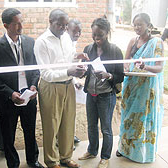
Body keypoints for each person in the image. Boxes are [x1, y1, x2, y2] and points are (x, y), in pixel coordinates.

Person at [0, 8, 43, 168]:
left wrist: (33, 86)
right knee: (8, 135)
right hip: (7, 100)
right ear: (6, 25)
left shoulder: (29, 42)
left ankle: (33, 161)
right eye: (16, 24)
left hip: (29, 95)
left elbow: (35, 68)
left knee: (30, 131)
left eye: (22, 22)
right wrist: (10, 94)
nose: (21, 26)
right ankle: (13, 164)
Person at [34, 9, 88, 168]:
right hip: (51, 87)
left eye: (65, 25)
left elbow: (68, 58)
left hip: (68, 85)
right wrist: (68, 71)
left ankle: (66, 157)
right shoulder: (42, 42)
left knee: (68, 121)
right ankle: (52, 161)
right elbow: (45, 73)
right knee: (51, 124)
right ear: (50, 21)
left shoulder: (65, 38)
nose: (64, 29)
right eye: (60, 25)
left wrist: (77, 57)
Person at [117, 13, 164, 163]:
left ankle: (140, 153)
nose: (137, 28)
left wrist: (145, 66)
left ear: (148, 25)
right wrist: (125, 68)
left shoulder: (156, 42)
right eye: (135, 25)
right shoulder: (133, 40)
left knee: (142, 119)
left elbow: (159, 67)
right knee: (128, 117)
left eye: (140, 25)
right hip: (131, 85)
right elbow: (126, 61)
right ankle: (124, 148)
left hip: (146, 88)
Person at [78, 17, 124, 168]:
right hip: (91, 94)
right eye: (94, 35)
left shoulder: (115, 51)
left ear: (107, 33)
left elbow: (120, 76)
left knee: (106, 128)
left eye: (100, 35)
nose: (97, 38)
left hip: (106, 95)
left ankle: (105, 157)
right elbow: (85, 72)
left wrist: (108, 76)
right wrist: (82, 68)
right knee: (91, 125)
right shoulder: (88, 49)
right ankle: (92, 151)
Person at [67, 18, 82, 144]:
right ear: (67, 30)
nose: (77, 34)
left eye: (79, 31)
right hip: (59, 82)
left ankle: (70, 136)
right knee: (60, 115)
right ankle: (60, 140)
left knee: (70, 113)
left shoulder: (73, 43)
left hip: (69, 81)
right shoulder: (64, 44)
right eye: (74, 31)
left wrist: (76, 79)